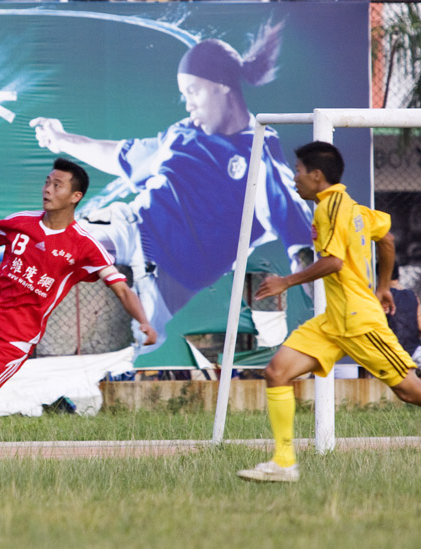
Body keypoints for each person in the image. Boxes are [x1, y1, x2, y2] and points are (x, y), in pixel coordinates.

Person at [236, 141, 421, 483]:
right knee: (277, 372)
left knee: (411, 391)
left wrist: (286, 281)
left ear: (317, 175)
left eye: (299, 171)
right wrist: (383, 286)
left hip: (359, 322)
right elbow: (388, 238)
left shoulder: (329, 209)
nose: (295, 177)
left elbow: (334, 262)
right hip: (333, 321)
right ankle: (284, 462)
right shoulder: (351, 206)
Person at [30, 23, 313, 352]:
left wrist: (327, 301)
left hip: (162, 284)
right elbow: (119, 154)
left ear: (221, 85)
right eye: (184, 95)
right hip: (128, 229)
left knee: (91, 347)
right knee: (35, 248)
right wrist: (61, 139)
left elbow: (304, 252)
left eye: (193, 91)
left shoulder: (261, 161)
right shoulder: (182, 134)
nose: (188, 104)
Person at [0, 158, 157, 491]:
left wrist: (144, 321)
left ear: (75, 196)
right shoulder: (21, 222)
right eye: (46, 182)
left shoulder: (83, 246)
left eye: (57, 185)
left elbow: (121, 288)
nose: (47, 189)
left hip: (12, 342)